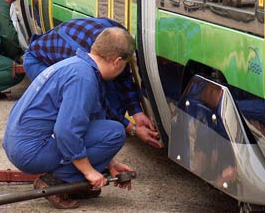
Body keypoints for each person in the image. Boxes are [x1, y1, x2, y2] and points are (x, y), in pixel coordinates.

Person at [3, 27, 136, 209]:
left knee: (104, 128)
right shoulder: (84, 78)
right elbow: (66, 132)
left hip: (18, 144)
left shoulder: (76, 65)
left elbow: (91, 122)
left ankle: (70, 179)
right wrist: (89, 171)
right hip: (31, 152)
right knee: (114, 132)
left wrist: (109, 163)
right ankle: (56, 182)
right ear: (118, 62)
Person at [24, 17, 164, 149]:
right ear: (116, 61)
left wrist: (137, 113)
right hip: (38, 61)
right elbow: (99, 100)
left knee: (111, 99)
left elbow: (123, 76)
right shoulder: (82, 65)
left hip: (68, 51)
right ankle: (63, 153)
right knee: (77, 110)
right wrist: (132, 129)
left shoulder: (115, 40)